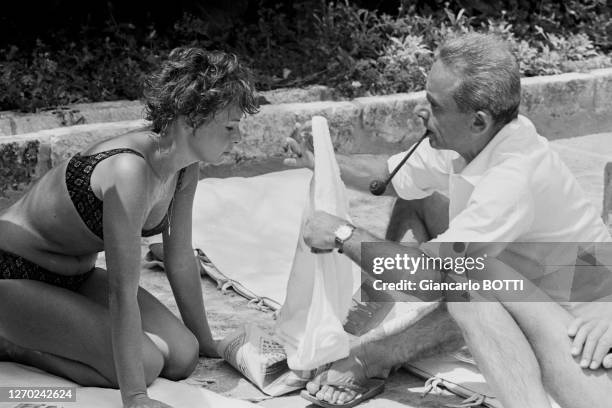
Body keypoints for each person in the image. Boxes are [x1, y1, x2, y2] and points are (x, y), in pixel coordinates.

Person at [286, 32, 612, 408]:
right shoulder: (474, 138)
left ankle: (372, 355)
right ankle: (366, 322)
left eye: (434, 106)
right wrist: (320, 159)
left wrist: (342, 234)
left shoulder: (513, 178)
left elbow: (430, 277)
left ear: (478, 121)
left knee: (469, 277)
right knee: (420, 205)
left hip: (587, 344)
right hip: (547, 290)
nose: (421, 113)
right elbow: (390, 176)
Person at [0, 47, 258, 408]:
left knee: (184, 354)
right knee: (147, 363)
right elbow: (121, 291)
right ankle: (13, 345)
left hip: (76, 276)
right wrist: (134, 396)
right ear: (190, 119)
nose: (237, 137)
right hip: (12, 273)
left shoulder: (184, 167)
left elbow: (179, 255)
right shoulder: (128, 170)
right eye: (230, 126)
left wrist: (207, 342)